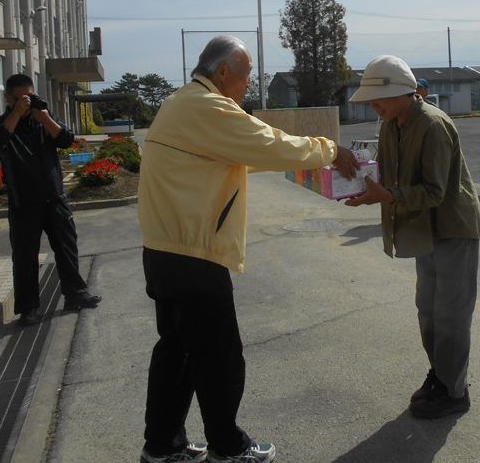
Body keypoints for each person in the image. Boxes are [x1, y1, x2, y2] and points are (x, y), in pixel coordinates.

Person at [137, 35, 359, 463]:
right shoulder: (209, 107)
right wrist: (330, 150)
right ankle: (227, 446)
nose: (248, 86)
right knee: (218, 358)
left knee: (177, 353)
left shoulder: (180, 103)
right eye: (246, 76)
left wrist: (306, 158)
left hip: (163, 253)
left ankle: (161, 445)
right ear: (223, 72)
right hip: (195, 256)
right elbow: (268, 144)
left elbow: (248, 152)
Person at [344, 55, 480, 419]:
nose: (373, 105)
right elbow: (387, 173)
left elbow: (435, 191)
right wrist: (359, 182)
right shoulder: (391, 124)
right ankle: (441, 376)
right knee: (429, 311)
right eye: (370, 99)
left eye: (378, 98)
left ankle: (455, 393)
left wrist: (387, 196)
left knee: (451, 314)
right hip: (425, 228)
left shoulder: (434, 125)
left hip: (454, 229)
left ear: (402, 92)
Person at [0, 74, 101, 327]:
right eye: (21, 98)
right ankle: (28, 308)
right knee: (25, 256)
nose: (27, 102)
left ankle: (75, 294)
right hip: (23, 201)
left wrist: (45, 117)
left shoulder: (43, 118)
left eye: (30, 96)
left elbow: (67, 140)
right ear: (8, 98)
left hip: (54, 197)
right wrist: (16, 113)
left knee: (67, 246)